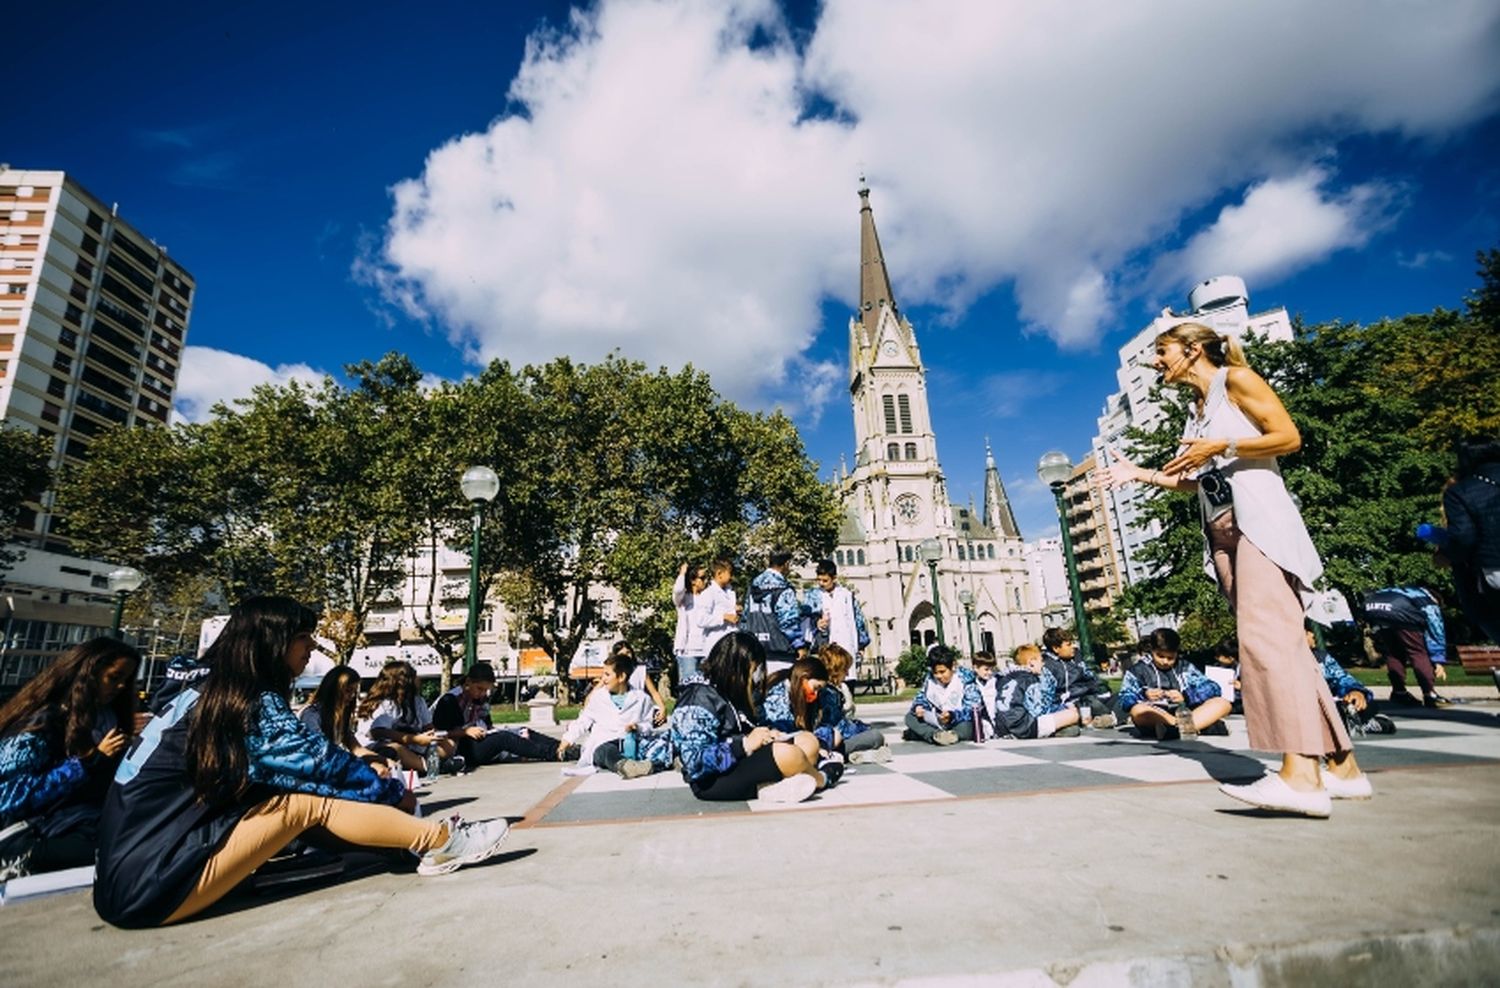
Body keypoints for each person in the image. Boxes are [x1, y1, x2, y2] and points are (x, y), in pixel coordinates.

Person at [93, 596, 512, 928]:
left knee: (294, 798)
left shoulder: (207, 691)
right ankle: (440, 842)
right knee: (301, 803)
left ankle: (408, 844)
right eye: (304, 637)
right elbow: (318, 765)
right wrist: (389, 794)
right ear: (274, 642)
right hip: (148, 885)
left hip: (129, 874)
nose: (311, 647)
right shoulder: (245, 701)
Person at [1102, 320, 1366, 817]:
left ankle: (1301, 777)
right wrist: (1140, 474)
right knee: (1286, 647)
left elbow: (1287, 437)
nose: (1156, 362)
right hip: (1223, 534)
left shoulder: (1234, 380)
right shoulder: (1197, 410)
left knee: (1267, 643)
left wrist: (1223, 445)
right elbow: (1202, 482)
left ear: (1193, 349)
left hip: (1258, 527)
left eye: (1162, 352)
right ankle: (1344, 770)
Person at [0, 638, 141, 879]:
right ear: (90, 672)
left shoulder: (107, 717)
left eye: (126, 681)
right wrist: (88, 763)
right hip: (27, 832)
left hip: (79, 820)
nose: (120, 687)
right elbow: (8, 796)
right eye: (114, 677)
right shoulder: (42, 722)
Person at [669, 632, 832, 804]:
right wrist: (744, 745)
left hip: (740, 760)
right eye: (753, 671)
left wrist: (766, 734)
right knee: (788, 754)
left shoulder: (729, 689)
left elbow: (747, 725)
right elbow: (694, 764)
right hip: (713, 779)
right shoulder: (697, 699)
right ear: (735, 668)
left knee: (808, 741)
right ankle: (821, 778)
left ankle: (774, 787)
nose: (754, 678)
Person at [431, 663, 566, 767]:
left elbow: (488, 724)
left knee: (522, 731)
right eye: (480, 689)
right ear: (468, 683)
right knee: (504, 738)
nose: (483, 694)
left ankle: (562, 746)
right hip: (458, 748)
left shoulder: (480, 700)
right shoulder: (450, 700)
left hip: (477, 740)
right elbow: (440, 732)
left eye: (486, 690)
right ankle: (553, 753)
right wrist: (465, 732)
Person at [560, 651, 669, 779]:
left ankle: (664, 761)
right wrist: (568, 739)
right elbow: (584, 720)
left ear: (621, 677)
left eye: (607, 675)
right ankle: (624, 766)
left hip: (629, 742)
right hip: (604, 742)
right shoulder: (598, 697)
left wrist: (637, 727)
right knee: (606, 751)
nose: (603, 679)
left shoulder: (642, 699)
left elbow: (648, 724)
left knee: (663, 741)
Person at [1117, 628, 1232, 740]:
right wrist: (1144, 694)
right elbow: (1124, 698)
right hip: (1157, 714)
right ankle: (1193, 727)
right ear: (1152, 651)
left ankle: (1174, 730)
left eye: (1170, 657)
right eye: (1160, 656)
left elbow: (1213, 688)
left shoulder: (1186, 667)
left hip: (1187, 713)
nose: (1165, 661)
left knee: (1223, 703)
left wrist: (1186, 696)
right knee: (1137, 711)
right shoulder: (1137, 670)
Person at [356, 661, 462, 777]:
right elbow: (378, 732)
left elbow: (428, 726)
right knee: (396, 749)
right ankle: (430, 766)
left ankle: (429, 763)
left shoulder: (417, 701)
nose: (418, 679)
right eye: (414, 676)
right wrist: (415, 739)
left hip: (414, 745)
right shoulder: (385, 703)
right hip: (380, 745)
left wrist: (433, 735)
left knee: (448, 745)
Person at [1441, 438, 1500, 642]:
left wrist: (1447, 553)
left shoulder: (1461, 492)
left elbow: (1464, 537)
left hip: (1494, 566)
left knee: (1486, 616)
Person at [1361, 586, 1450, 708]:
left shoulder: (1403, 591)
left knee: (1393, 653)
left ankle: (1399, 692)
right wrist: (1438, 659)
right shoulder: (1427, 600)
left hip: (1373, 609)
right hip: (1400, 612)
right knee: (1417, 652)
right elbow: (1436, 629)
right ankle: (1430, 694)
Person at [299, 667, 394, 777]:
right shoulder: (311, 714)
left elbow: (357, 749)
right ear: (333, 690)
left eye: (354, 691)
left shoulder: (340, 717)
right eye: (348, 691)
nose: (352, 696)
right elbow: (322, 750)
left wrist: (384, 760)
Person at [1307, 630, 1395, 738]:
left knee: (1365, 704)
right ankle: (1352, 723)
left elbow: (1341, 677)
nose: (1313, 635)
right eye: (1306, 631)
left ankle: (1353, 721)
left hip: (1329, 705)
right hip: (1303, 709)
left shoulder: (1321, 658)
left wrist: (1354, 691)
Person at [817, 644, 890, 763]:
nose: (846, 674)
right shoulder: (829, 694)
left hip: (831, 737)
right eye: (845, 670)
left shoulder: (830, 690)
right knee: (876, 736)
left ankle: (856, 753)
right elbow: (839, 726)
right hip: (833, 740)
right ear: (835, 670)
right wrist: (861, 728)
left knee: (869, 733)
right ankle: (843, 754)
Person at [743, 549, 806, 675]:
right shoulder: (784, 588)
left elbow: (745, 617)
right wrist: (798, 644)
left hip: (755, 649)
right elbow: (788, 621)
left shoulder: (753, 586)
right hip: (780, 651)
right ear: (786, 564)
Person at [904, 645, 981, 746]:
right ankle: (935, 735)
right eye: (935, 672)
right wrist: (919, 707)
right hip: (936, 721)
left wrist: (952, 716)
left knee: (967, 727)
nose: (939, 676)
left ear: (953, 666)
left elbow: (973, 709)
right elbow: (922, 697)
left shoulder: (966, 680)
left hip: (958, 721)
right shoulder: (930, 679)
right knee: (910, 717)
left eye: (942, 672)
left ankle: (949, 735)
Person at [1040, 628, 1116, 728]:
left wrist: (1102, 690)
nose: (1073, 647)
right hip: (1074, 702)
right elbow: (1049, 695)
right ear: (1056, 648)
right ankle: (1109, 718)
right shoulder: (1047, 666)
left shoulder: (1077, 657)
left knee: (1121, 698)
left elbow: (1090, 676)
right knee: (1091, 703)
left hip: (1092, 695)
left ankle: (1108, 719)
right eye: (1068, 645)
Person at [804, 559, 870, 671]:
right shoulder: (812, 596)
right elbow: (806, 618)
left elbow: (858, 620)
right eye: (819, 580)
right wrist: (817, 623)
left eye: (825, 580)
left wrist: (861, 645)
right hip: (824, 647)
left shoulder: (847, 595)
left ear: (834, 578)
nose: (821, 583)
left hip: (846, 646)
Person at [606, 641, 668, 728]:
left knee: (657, 715)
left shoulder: (640, 670)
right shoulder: (613, 672)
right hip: (620, 707)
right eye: (622, 654)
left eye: (628, 652)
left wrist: (663, 708)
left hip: (638, 707)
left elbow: (654, 692)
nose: (626, 656)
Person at [672, 562, 710, 687]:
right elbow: (677, 590)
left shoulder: (708, 597)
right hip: (688, 650)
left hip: (706, 649)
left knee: (705, 688)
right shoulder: (683, 599)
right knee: (688, 688)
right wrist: (682, 573)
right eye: (703, 578)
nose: (706, 581)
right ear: (693, 580)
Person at [693, 558, 741, 655]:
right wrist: (724, 617)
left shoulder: (730, 593)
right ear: (719, 574)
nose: (731, 577)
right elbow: (701, 619)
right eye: (729, 573)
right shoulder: (709, 593)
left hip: (731, 643)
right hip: (716, 643)